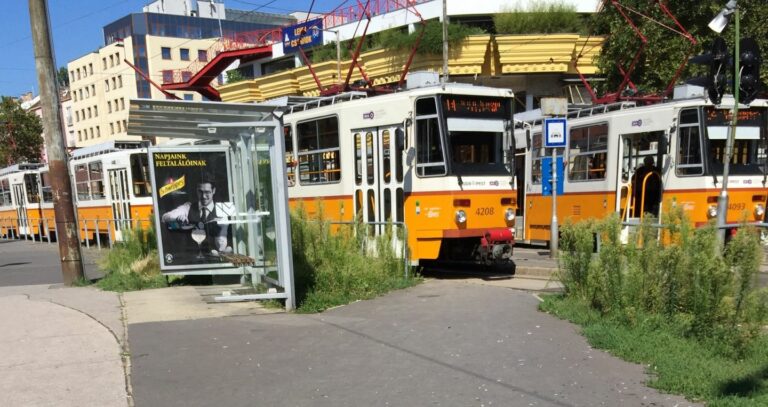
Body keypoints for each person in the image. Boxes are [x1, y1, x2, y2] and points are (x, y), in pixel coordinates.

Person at [161, 174, 231, 258]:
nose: (203, 196)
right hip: (192, 259)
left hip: (214, 259)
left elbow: (221, 243)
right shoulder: (188, 207)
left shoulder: (221, 210)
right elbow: (165, 217)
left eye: (207, 192)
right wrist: (177, 219)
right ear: (196, 191)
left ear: (214, 191)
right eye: (200, 192)